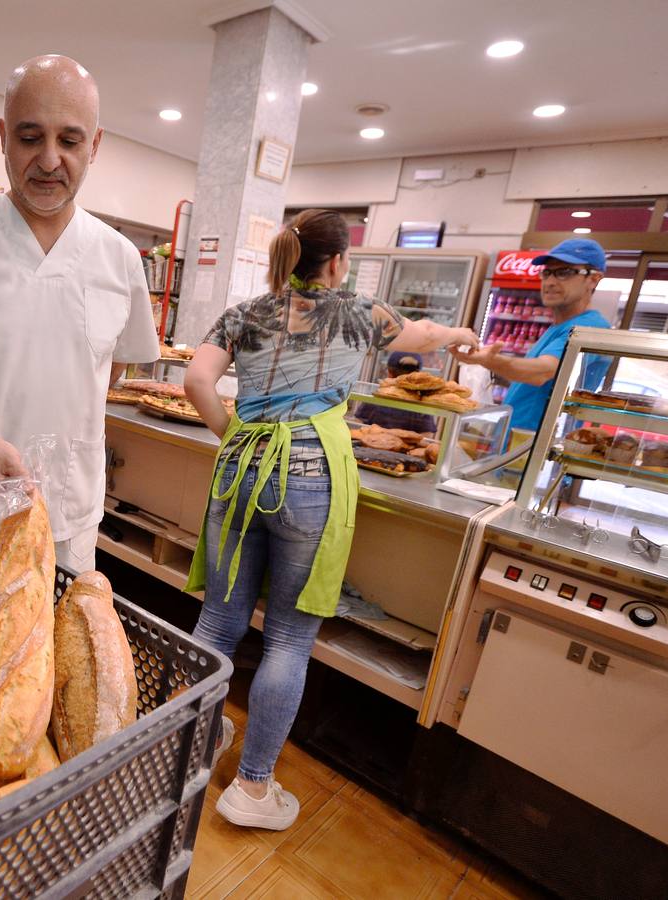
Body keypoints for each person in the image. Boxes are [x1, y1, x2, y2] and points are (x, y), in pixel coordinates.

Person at [183, 210, 478, 830]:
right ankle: (253, 789)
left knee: (218, 618)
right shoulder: (361, 314)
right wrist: (458, 333)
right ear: (339, 262)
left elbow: (197, 379)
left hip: (241, 467)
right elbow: (423, 335)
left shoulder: (244, 314)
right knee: (288, 637)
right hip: (312, 474)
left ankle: (179, 749)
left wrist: (234, 435)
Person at [0, 55, 159, 571]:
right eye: (29, 137)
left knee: (52, 650)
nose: (48, 160)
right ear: (2, 135)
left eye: (69, 141)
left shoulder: (119, 257)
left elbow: (108, 375)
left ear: (95, 144)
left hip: (68, 520)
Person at [450, 238, 612, 431]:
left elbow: (541, 372)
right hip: (516, 443)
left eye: (564, 272)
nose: (550, 282)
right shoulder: (558, 327)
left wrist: (489, 361)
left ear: (593, 279)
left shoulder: (590, 328)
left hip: (536, 448)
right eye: (547, 272)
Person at [355, 351, 438, 433]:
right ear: (416, 377)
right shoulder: (421, 402)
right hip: (408, 446)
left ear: (389, 373)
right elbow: (427, 434)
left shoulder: (379, 395)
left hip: (372, 442)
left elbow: (358, 422)